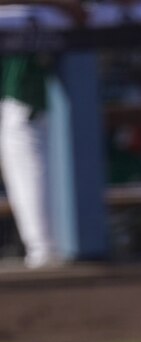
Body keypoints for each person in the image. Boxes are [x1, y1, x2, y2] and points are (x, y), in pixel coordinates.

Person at [0, 0, 85, 268]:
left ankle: (43, 247)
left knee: (26, 157)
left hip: (24, 92)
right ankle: (42, 247)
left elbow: (79, 13)